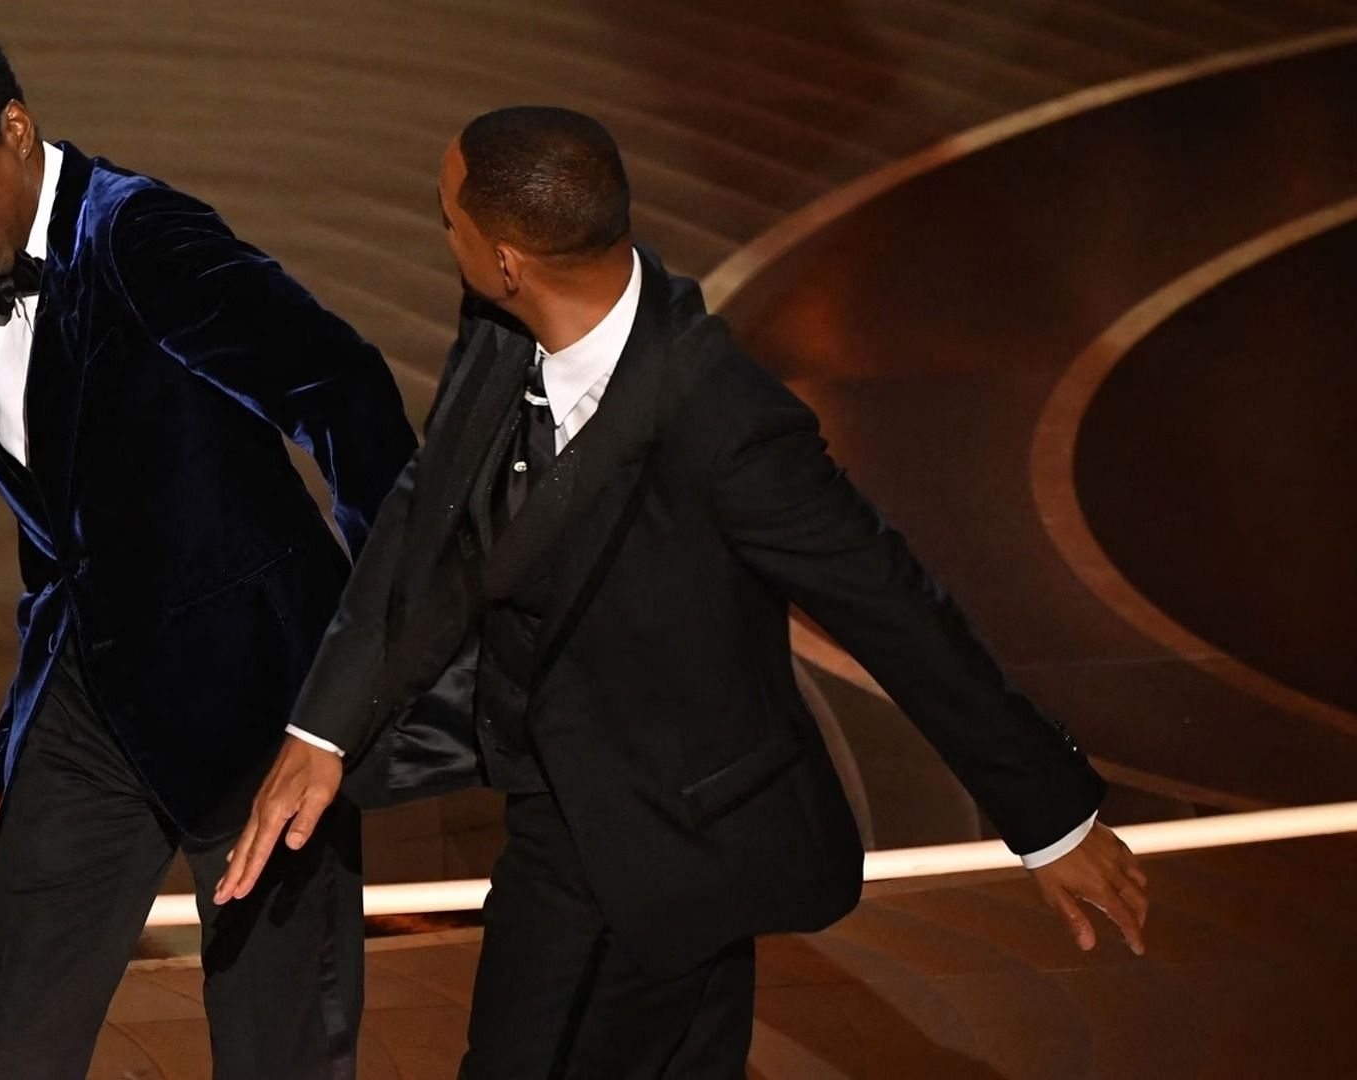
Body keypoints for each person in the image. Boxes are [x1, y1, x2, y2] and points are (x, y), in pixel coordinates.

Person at [219, 106, 1149, 1077]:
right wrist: (324, 729)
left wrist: (1051, 819)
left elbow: (892, 604)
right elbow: (434, 508)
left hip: (680, 832)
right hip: (560, 809)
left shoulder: (724, 422)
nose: (440, 231)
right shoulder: (505, 323)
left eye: (447, 218)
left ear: (506, 260)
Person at [0, 16, 416, 1078]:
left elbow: (343, 390)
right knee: (9, 1050)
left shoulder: (140, 238)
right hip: (95, 707)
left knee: (279, 1056)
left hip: (260, 720)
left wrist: (363, 664)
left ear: (15, 128)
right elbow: (55, 547)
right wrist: (11, 751)